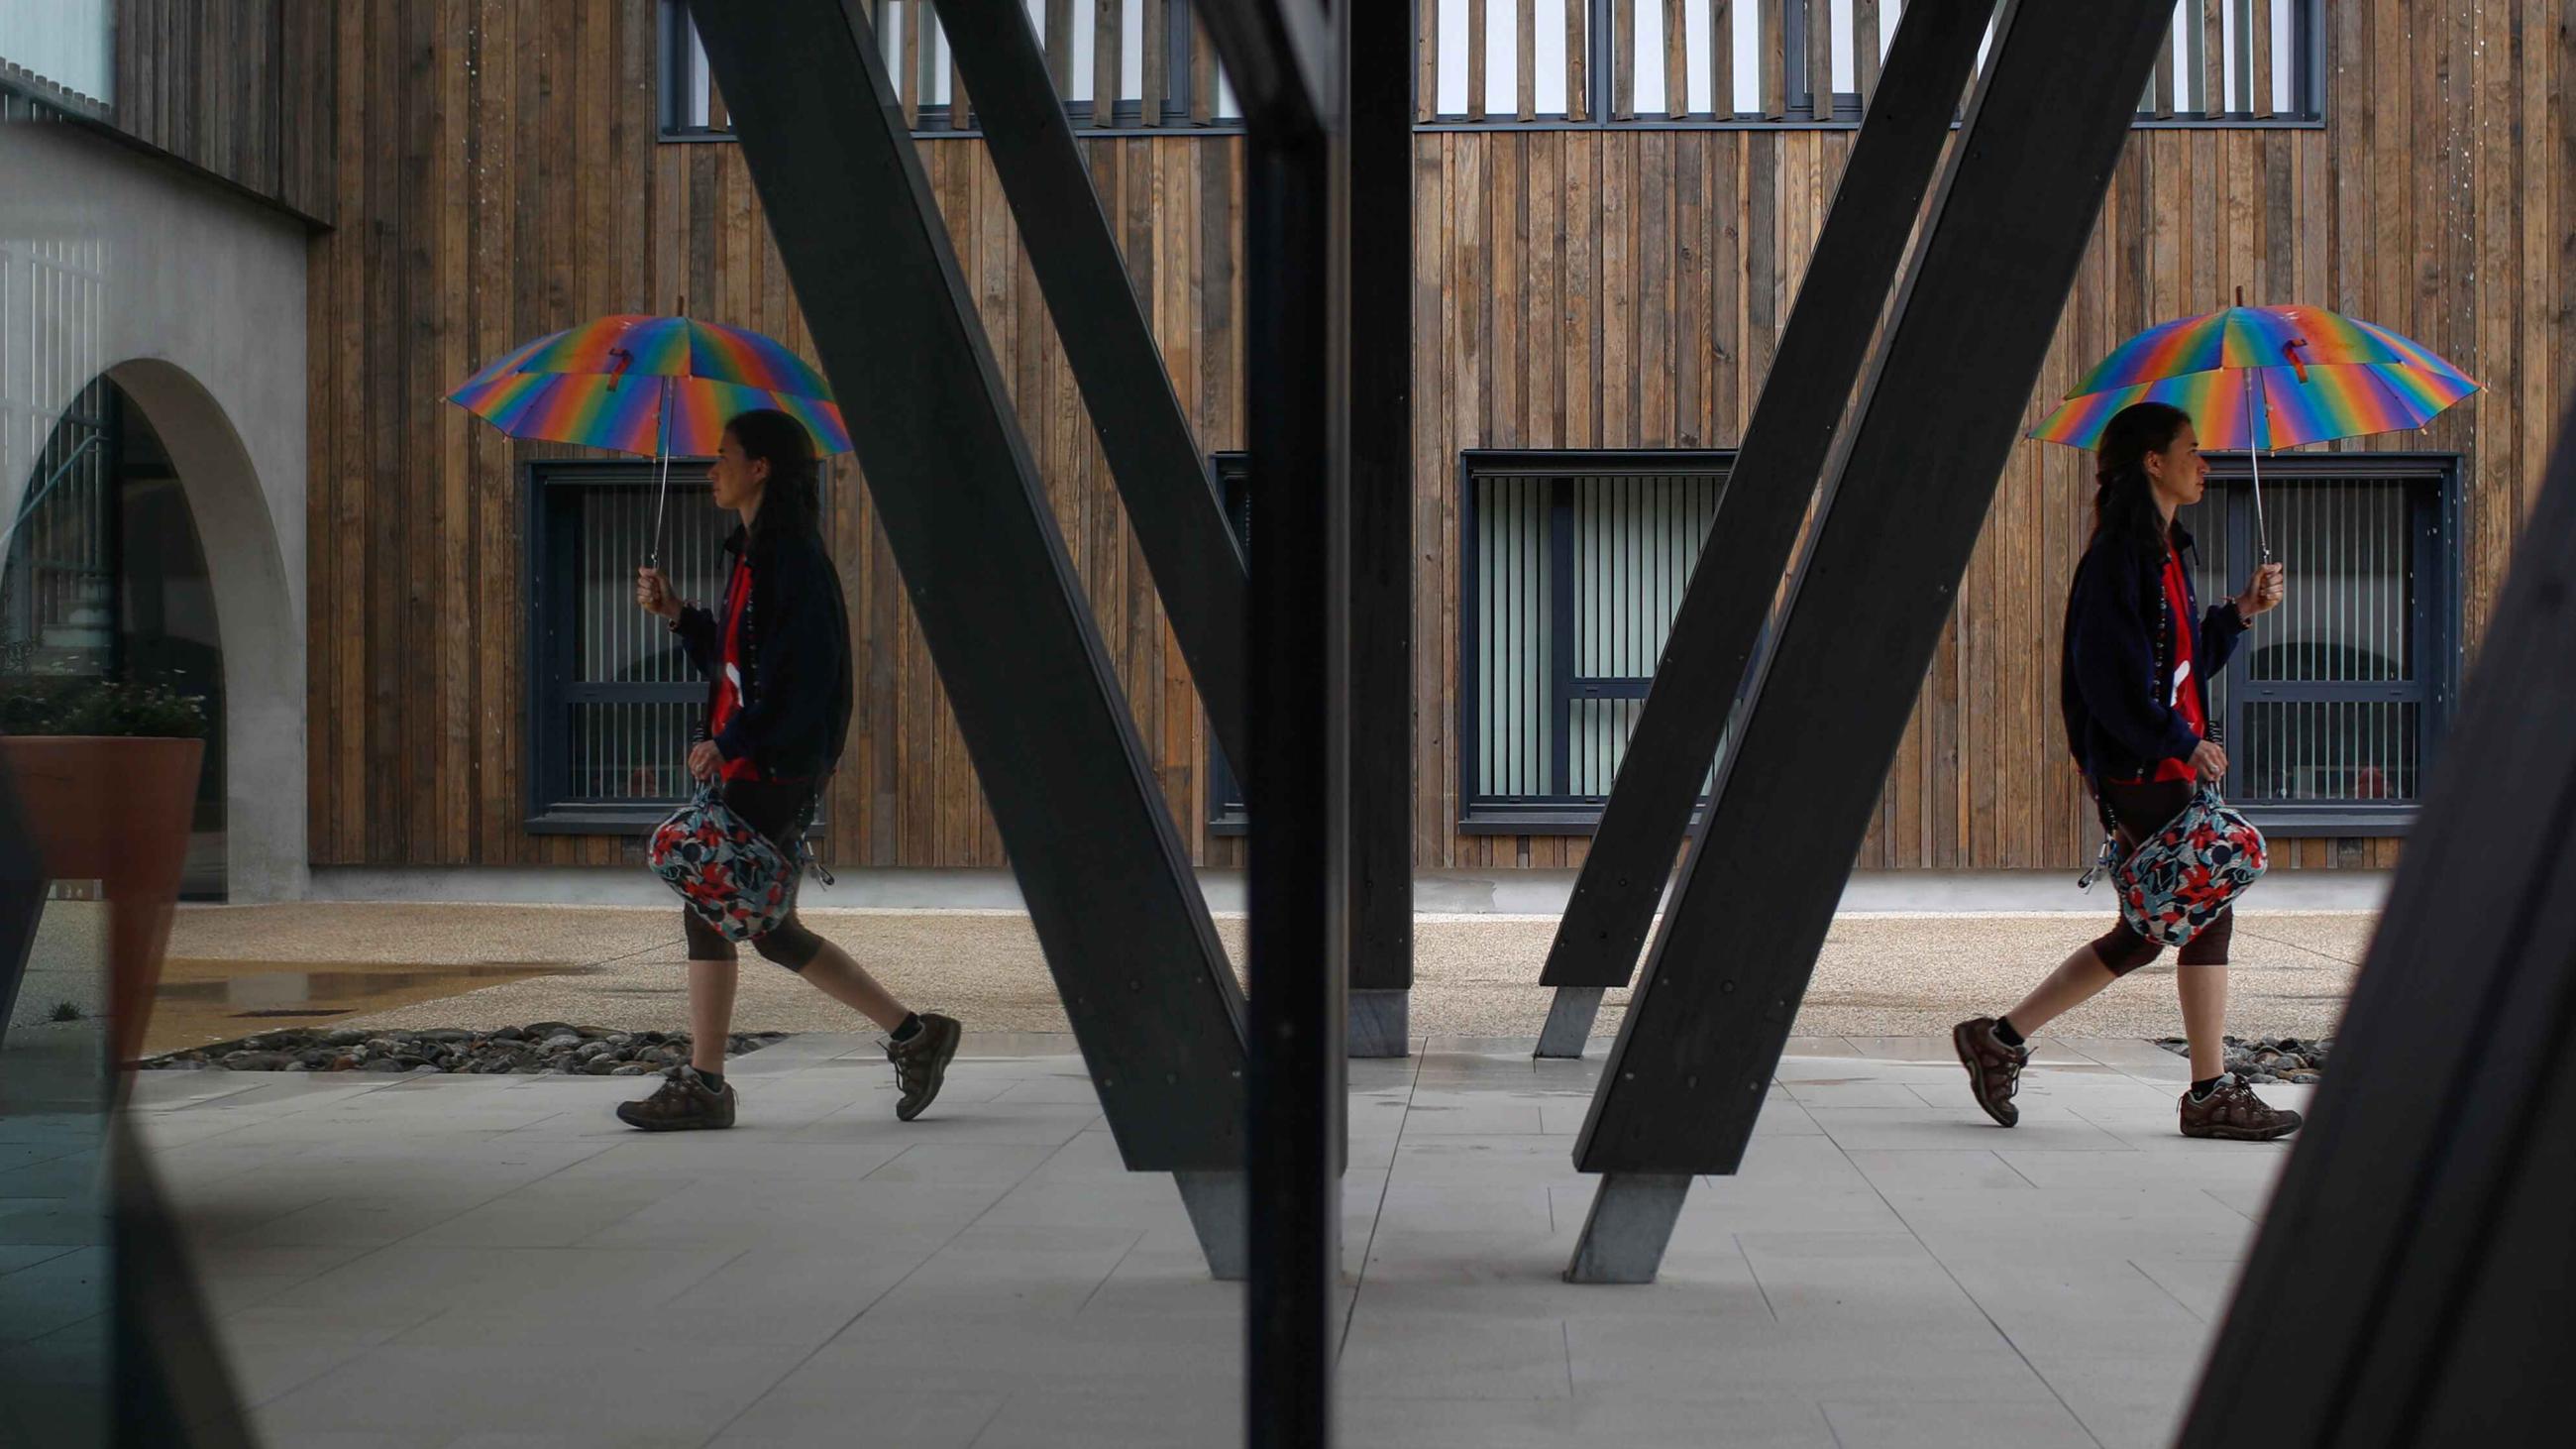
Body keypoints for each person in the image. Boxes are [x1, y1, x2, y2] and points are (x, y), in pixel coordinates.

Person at [1954, 401, 2302, 1142]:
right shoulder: (2121, 558)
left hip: (2156, 756)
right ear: (2153, 461)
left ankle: (1999, 1040)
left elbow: (2176, 664)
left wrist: (2239, 612)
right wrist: (2181, 738)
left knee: (2145, 931)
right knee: (2206, 901)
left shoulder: (2166, 549)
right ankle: (2209, 1093)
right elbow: (2108, 679)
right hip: (2143, 761)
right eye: (2192, 450)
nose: (2204, 463)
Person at [617, 408, 960, 1131]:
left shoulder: (791, 559)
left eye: (722, 456)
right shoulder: (753, 551)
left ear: (761, 467)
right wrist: (679, 613)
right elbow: (741, 660)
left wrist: (731, 737)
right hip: (759, 756)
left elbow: (798, 675)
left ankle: (706, 1085)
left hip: (772, 763)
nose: (711, 469)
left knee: (713, 902)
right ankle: (914, 1034)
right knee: (766, 925)